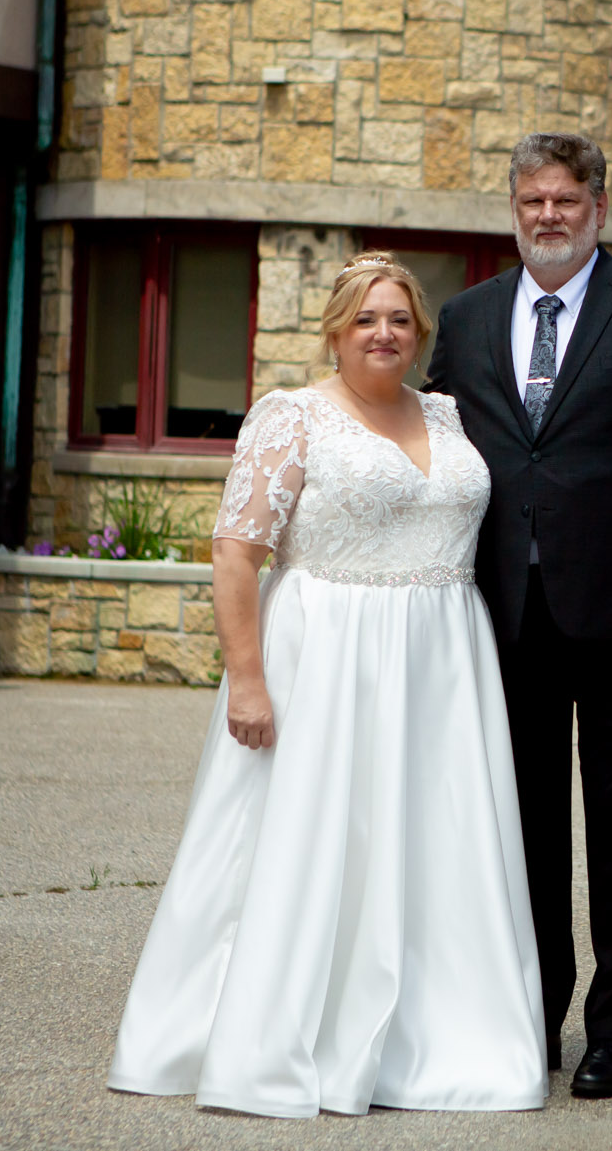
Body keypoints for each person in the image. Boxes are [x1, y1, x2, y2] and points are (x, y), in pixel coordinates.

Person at [107, 253, 546, 1118]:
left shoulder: (452, 415)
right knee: (314, 841)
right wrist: (247, 681)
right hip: (329, 657)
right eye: (365, 320)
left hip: (444, 659)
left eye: (399, 320)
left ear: (420, 332)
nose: (384, 333)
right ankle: (283, 1037)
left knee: (439, 841)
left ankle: (440, 1037)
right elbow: (236, 550)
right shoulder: (292, 417)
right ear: (336, 331)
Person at [424, 133, 612, 1098]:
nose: (547, 216)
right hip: (503, 610)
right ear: (512, 210)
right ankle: (535, 1012)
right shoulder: (467, 317)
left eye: (565, 200)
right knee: (522, 824)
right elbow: (436, 452)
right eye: (531, 202)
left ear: (599, 207)